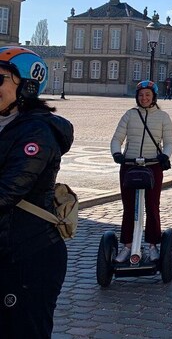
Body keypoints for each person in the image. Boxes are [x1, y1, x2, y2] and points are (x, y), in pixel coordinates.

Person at [0, 47, 73, 338]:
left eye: (0, 79)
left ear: (28, 87)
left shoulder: (37, 133)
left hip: (28, 255)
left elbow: (8, 190)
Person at [110, 80, 172, 264]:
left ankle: (153, 245)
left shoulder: (163, 117)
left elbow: (169, 141)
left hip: (153, 165)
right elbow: (117, 138)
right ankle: (128, 245)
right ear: (137, 97)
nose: (144, 98)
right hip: (130, 165)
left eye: (147, 95)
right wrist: (116, 153)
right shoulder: (129, 115)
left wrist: (165, 155)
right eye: (141, 95)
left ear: (154, 96)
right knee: (129, 207)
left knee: (152, 206)